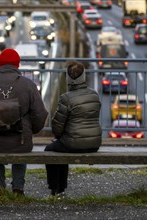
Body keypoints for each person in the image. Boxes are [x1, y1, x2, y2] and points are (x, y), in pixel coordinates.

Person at [0, 48, 48, 195]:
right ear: (17, 65)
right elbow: (40, 114)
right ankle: (18, 188)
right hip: (21, 142)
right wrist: (29, 131)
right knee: (21, 149)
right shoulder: (29, 86)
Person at [45, 60, 102, 196]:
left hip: (73, 143)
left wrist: (60, 136)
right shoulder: (94, 95)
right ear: (83, 77)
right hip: (94, 143)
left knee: (51, 150)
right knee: (62, 146)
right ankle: (60, 189)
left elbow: (57, 128)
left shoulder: (66, 98)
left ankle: (56, 189)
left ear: (68, 78)